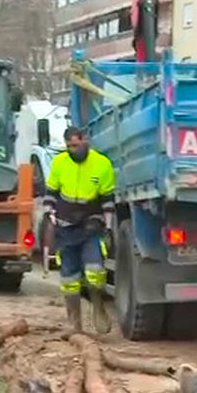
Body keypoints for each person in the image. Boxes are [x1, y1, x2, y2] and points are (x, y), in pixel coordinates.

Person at [44, 127, 115, 334]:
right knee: (69, 280)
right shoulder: (60, 162)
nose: (72, 150)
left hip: (90, 226)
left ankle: (98, 305)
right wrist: (49, 215)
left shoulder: (102, 164)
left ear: (85, 141)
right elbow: (51, 193)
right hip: (65, 228)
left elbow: (107, 200)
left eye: (75, 145)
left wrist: (108, 227)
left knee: (95, 273)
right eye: (68, 147)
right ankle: (74, 325)